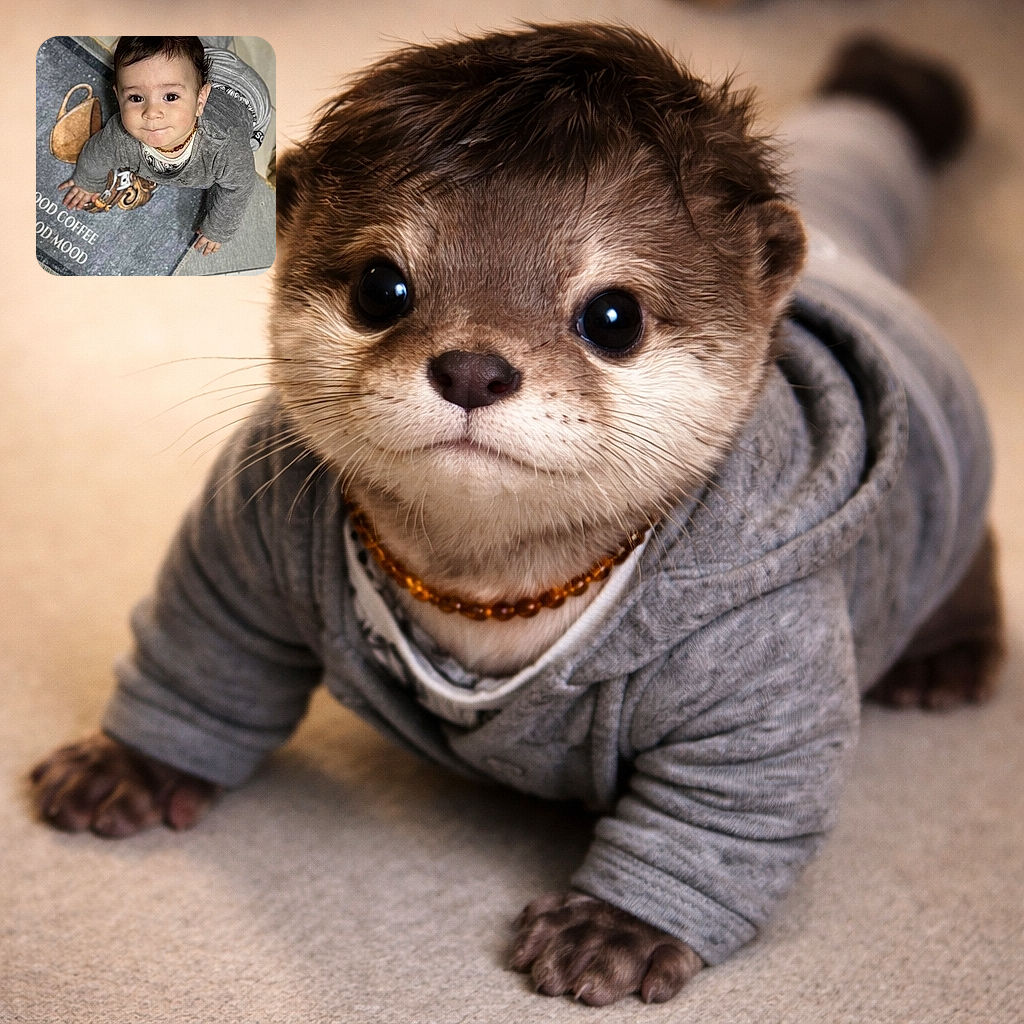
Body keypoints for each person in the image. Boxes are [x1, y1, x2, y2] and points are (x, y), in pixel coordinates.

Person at [59, 36, 266, 255]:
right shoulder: (120, 136)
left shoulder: (225, 149)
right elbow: (97, 154)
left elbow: (238, 187)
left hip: (245, 95)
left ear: (200, 101)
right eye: (136, 98)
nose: (152, 113)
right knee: (181, 50)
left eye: (170, 96)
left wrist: (218, 229)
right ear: (118, 97)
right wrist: (88, 181)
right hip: (199, 71)